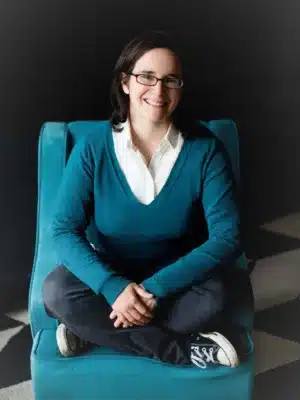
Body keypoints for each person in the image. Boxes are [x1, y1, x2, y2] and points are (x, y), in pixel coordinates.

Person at [43, 30, 244, 369]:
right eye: (147, 77)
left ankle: (92, 332)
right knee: (57, 291)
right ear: (125, 83)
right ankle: (178, 350)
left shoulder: (205, 149)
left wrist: (154, 288)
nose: (159, 90)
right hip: (110, 273)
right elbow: (64, 230)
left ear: (180, 88)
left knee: (216, 296)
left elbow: (228, 236)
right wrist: (114, 289)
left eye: (170, 80)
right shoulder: (93, 147)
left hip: (176, 279)